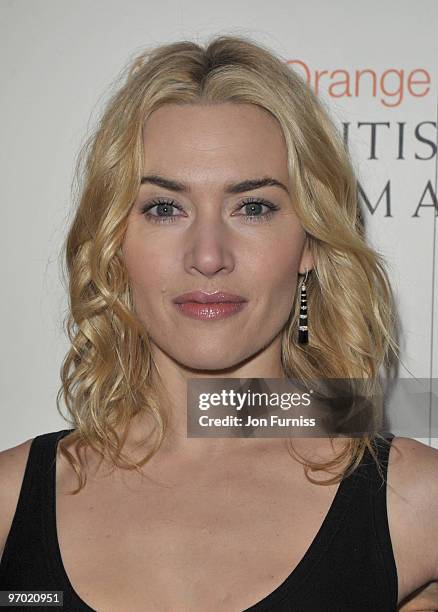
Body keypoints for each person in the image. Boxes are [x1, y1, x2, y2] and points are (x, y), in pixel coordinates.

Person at [0, 34, 437, 612]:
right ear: (114, 241)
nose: (208, 256)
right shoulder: (10, 500)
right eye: (164, 208)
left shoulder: (416, 501)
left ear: (310, 243)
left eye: (253, 207)